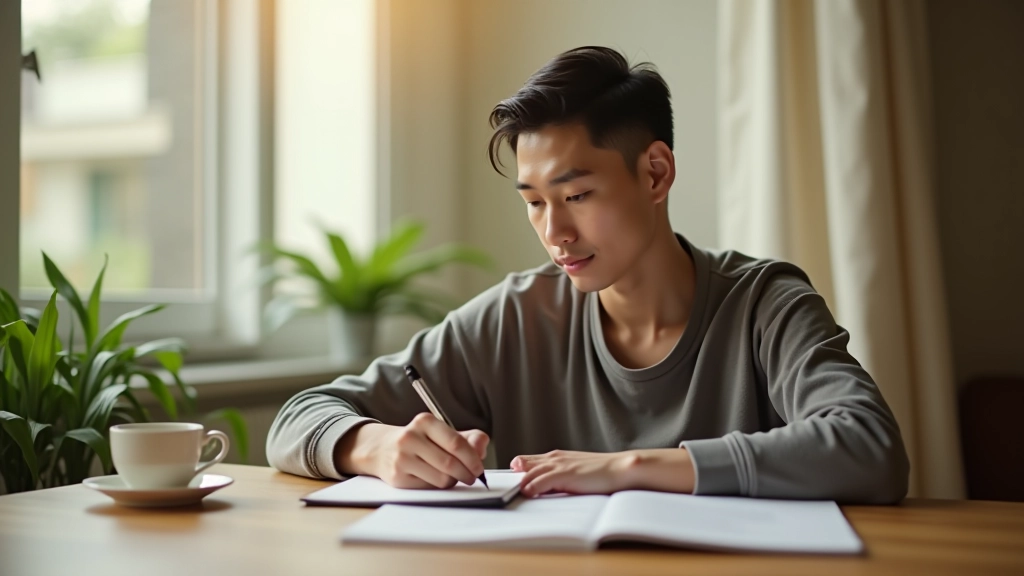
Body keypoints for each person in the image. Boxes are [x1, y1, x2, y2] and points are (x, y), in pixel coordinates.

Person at [267, 46, 910, 504]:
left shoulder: (765, 303)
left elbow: (870, 449)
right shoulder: (516, 315)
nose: (554, 233)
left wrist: (629, 469)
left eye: (576, 196)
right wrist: (374, 447)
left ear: (655, 173)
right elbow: (297, 417)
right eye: (533, 202)